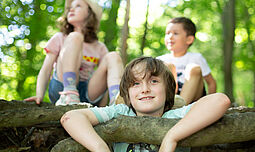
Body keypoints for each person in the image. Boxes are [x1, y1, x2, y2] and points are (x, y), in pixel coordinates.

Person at [61, 56, 230, 152]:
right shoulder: (121, 112)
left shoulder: (174, 116)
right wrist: (100, 148)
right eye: (136, 84)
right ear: (127, 93)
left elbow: (220, 100)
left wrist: (172, 137)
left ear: (169, 89)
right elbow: (70, 117)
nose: (145, 89)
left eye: (154, 81)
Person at [25, 0, 123, 106]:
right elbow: (46, 69)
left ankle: (116, 103)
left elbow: (106, 79)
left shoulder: (99, 47)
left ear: (90, 13)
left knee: (113, 56)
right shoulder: (60, 37)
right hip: (61, 88)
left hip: (87, 93)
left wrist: (103, 109)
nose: (71, 9)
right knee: (75, 36)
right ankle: (69, 93)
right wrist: (39, 95)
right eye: (70, 7)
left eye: (78, 6)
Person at [157, 17, 217, 105]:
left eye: (175, 33)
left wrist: (210, 104)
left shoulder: (196, 58)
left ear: (189, 39)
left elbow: (211, 83)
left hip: (193, 99)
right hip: (170, 98)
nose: (170, 37)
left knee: (194, 68)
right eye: (167, 33)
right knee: (166, 66)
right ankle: (171, 106)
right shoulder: (160, 60)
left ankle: (180, 106)